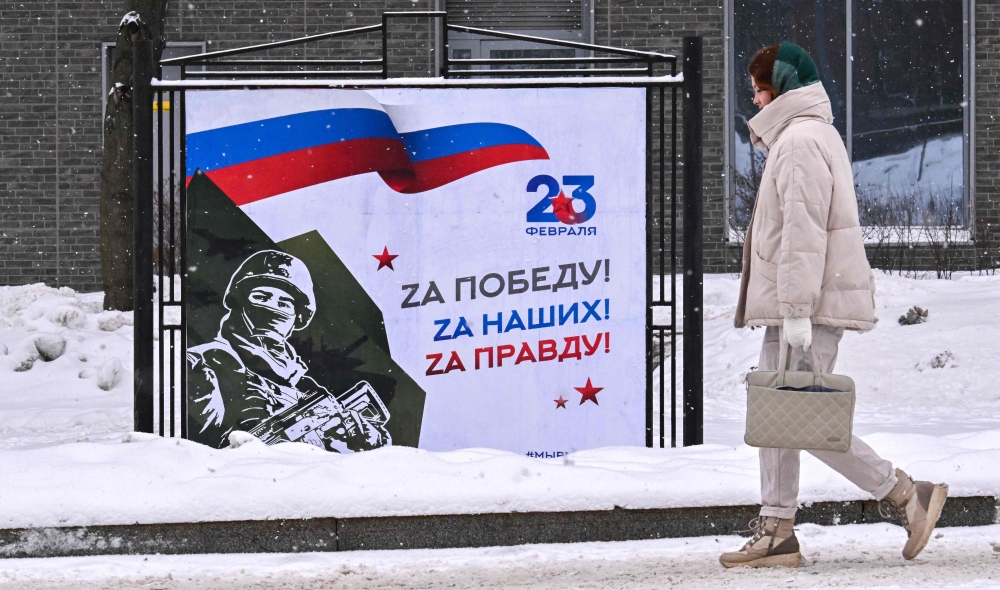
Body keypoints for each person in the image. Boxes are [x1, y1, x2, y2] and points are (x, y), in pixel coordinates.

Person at [720, 42, 949, 568]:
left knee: (801, 416)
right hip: (797, 304)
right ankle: (777, 530)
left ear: (778, 89)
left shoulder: (800, 141)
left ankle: (905, 494)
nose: (754, 102)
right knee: (781, 414)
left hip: (806, 306)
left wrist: (796, 309)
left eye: (757, 90)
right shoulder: (806, 135)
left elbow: (802, 233)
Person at [187, 249, 391, 453]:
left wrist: (369, 438)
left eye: (284, 303)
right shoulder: (204, 363)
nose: (273, 308)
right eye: (262, 297)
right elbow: (204, 454)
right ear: (238, 301)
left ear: (297, 317)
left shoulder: (302, 382)